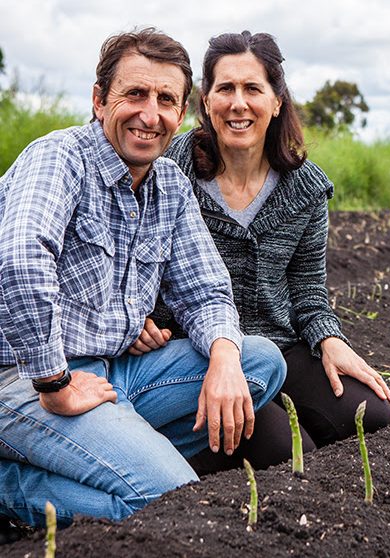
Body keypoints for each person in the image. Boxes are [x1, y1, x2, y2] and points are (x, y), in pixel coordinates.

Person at [0, 28, 286, 536]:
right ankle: (13, 487)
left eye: (165, 99)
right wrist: (56, 384)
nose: (149, 114)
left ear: (181, 114)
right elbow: (22, 259)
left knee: (258, 361)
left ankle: (112, 448)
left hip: (113, 374)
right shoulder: (60, 159)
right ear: (98, 100)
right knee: (172, 501)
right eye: (134, 94)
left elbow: (206, 291)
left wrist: (222, 356)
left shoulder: (170, 186)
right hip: (22, 378)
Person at [133, 30, 390, 475]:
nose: (238, 103)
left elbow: (309, 291)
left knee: (372, 412)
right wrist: (136, 318)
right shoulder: (168, 169)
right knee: (290, 452)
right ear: (205, 101)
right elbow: (135, 260)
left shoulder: (306, 188)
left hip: (279, 346)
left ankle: (252, 415)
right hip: (197, 348)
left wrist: (331, 341)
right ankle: (180, 449)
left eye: (253, 89)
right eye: (225, 89)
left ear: (276, 101)